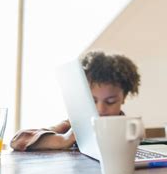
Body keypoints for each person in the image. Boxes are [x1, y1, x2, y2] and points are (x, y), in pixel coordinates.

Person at [10, 51, 140, 151]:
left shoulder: (130, 128)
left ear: (124, 97)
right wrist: (64, 139)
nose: (100, 110)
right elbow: (18, 140)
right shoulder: (73, 124)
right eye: (92, 101)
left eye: (110, 101)